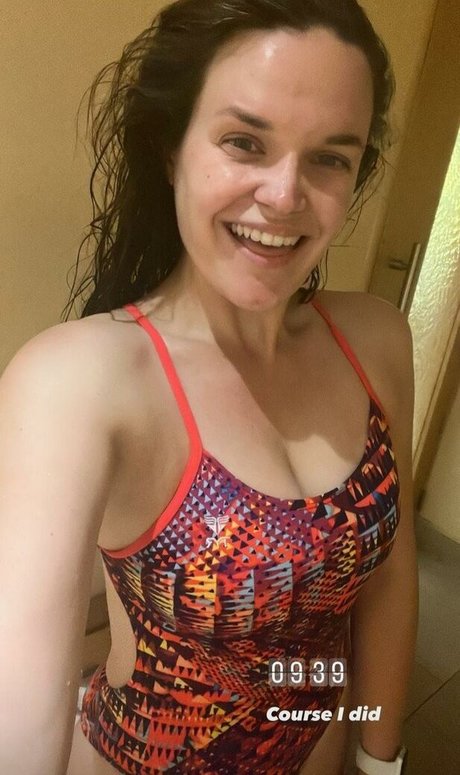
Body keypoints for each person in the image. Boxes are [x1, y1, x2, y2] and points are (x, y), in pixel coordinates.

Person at [0, 1, 418, 773]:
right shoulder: (79, 381)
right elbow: (18, 702)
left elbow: (389, 573)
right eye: (244, 142)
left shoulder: (376, 338)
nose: (285, 196)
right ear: (172, 148)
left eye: (330, 157)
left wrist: (379, 756)